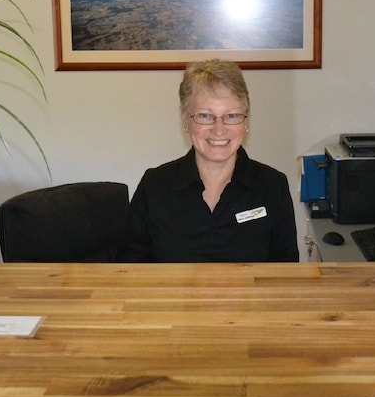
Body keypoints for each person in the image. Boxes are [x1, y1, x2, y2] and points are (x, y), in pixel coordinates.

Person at [118, 59, 299, 262]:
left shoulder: (273, 186)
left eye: (231, 116)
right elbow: (128, 269)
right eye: (205, 116)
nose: (219, 130)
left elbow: (286, 271)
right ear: (185, 119)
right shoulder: (154, 186)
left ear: (246, 121)